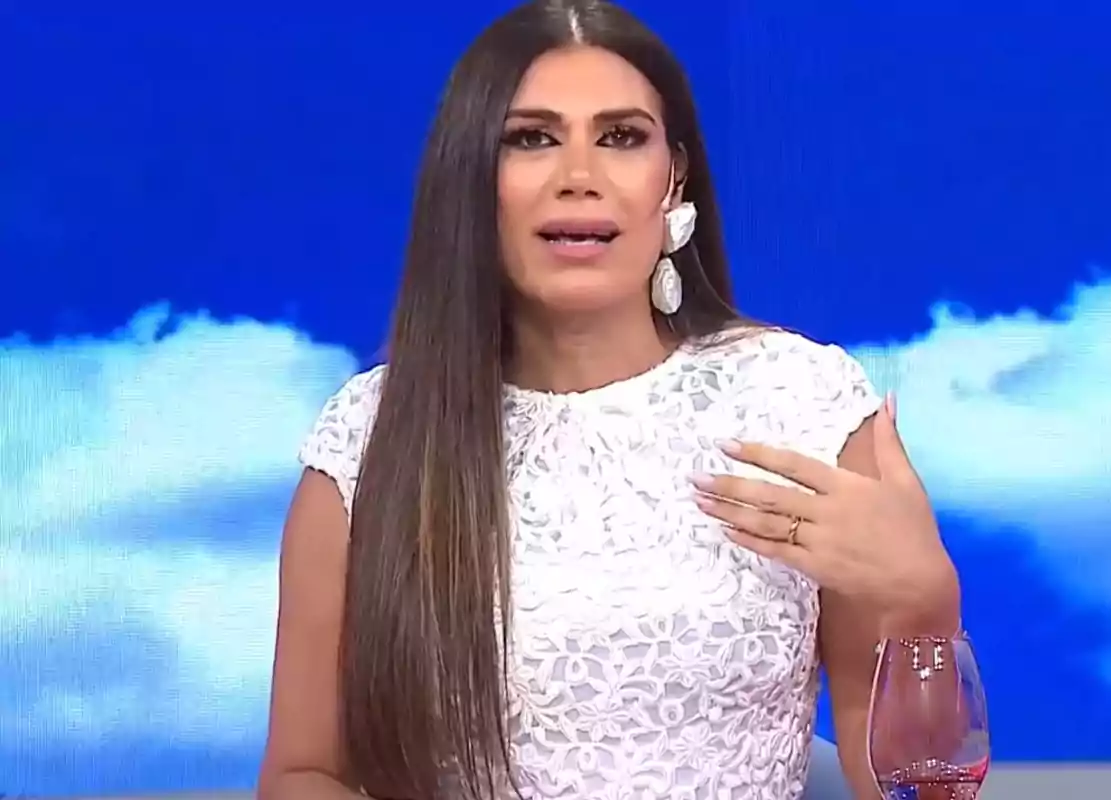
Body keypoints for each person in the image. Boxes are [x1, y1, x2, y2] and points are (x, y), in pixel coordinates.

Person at [257, 1, 964, 799]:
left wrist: (926, 610)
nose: (579, 177)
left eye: (621, 137)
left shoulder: (796, 402)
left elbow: (917, 786)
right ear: (471, 181)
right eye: (532, 138)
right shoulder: (369, 441)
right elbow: (305, 772)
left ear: (674, 180)